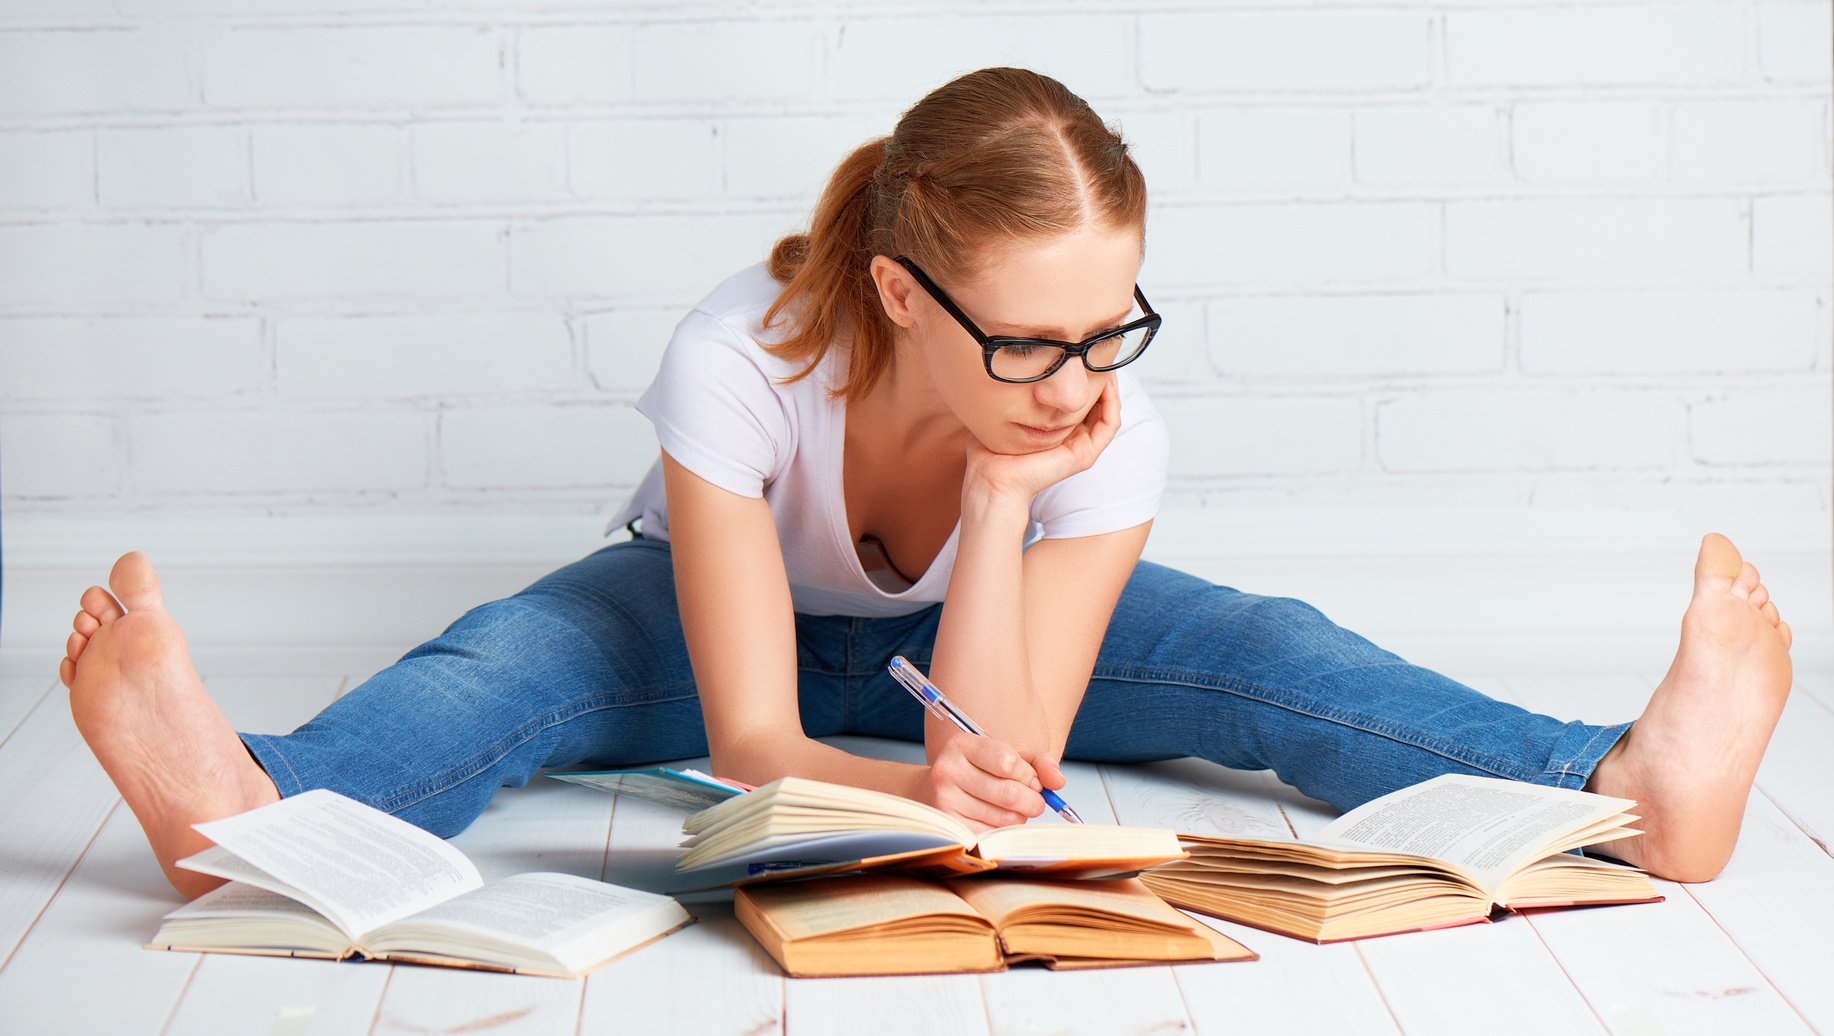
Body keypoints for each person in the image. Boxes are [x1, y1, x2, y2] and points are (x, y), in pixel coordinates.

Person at [59, 67, 1793, 901]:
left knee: (1268, 646)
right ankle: (253, 814)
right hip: (691, 625)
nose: (1085, 380)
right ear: (901, 291)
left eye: (1111, 327)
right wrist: (891, 776)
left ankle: (1616, 784)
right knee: (500, 669)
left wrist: (992, 503)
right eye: (1032, 342)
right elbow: (749, 745)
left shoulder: (1103, 425)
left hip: (972, 619)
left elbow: (1007, 736)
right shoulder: (736, 360)